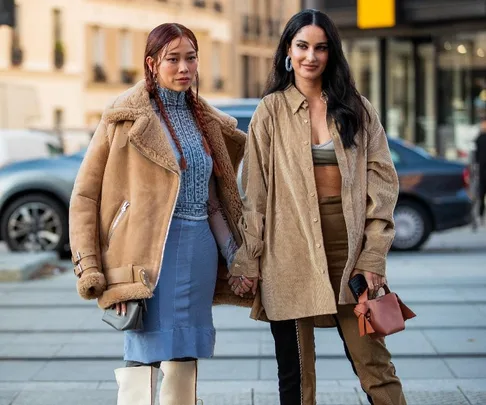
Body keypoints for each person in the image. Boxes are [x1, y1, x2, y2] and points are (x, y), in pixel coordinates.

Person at [227, 9, 406, 405]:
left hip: (350, 252)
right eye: (303, 46)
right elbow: (255, 194)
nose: (311, 56)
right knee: (295, 376)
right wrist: (249, 260)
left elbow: (383, 185)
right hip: (287, 253)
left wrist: (373, 257)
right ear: (289, 51)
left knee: (374, 364)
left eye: (321, 48)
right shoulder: (270, 112)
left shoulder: (356, 108)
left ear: (332, 53)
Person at [69, 23, 252, 405]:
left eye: (191, 57)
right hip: (147, 257)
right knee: (141, 353)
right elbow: (85, 196)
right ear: (152, 64)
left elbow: (213, 201)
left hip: (200, 250)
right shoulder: (122, 117)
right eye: (173, 59)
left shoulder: (206, 121)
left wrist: (237, 257)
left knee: (185, 353)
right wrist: (98, 271)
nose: (184, 67)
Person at [475, 118, 486, 225]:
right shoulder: (479, 138)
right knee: (481, 194)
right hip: (482, 170)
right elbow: (476, 155)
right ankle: (480, 215)